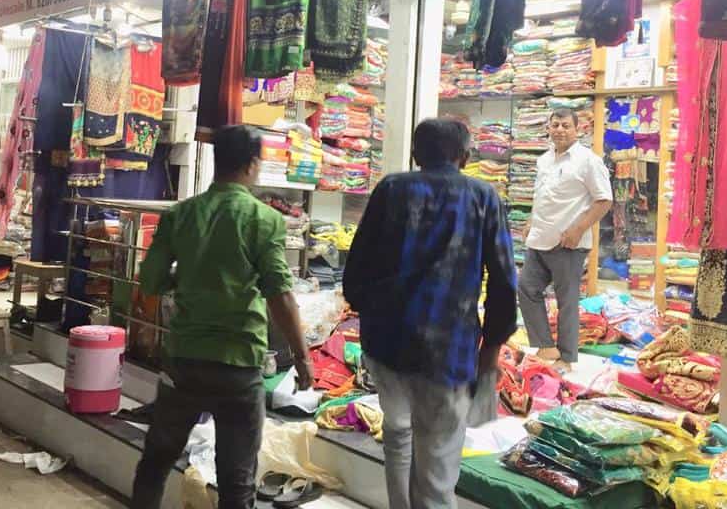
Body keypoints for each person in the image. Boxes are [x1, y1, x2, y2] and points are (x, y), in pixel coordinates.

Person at [132, 125, 313, 509]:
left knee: (156, 461)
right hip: (238, 364)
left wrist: (187, 276)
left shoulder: (182, 214)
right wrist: (302, 358)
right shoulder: (265, 220)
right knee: (236, 480)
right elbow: (280, 295)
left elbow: (150, 281)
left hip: (183, 360)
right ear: (252, 164)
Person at [343, 118, 517, 509]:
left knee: (397, 431)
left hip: (387, 343)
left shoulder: (391, 189)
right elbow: (504, 280)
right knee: (437, 469)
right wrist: (491, 345)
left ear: (415, 154)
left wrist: (371, 311)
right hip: (449, 349)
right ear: (465, 156)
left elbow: (356, 269)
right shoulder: (483, 196)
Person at [521, 108, 612, 370]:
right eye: (555, 125)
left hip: (567, 243)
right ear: (548, 128)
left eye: (565, 125)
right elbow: (543, 196)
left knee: (567, 301)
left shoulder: (588, 161)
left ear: (577, 129)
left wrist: (577, 229)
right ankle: (546, 348)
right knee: (527, 289)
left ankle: (567, 357)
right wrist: (531, 220)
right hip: (539, 238)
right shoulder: (544, 160)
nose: (559, 130)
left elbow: (604, 199)